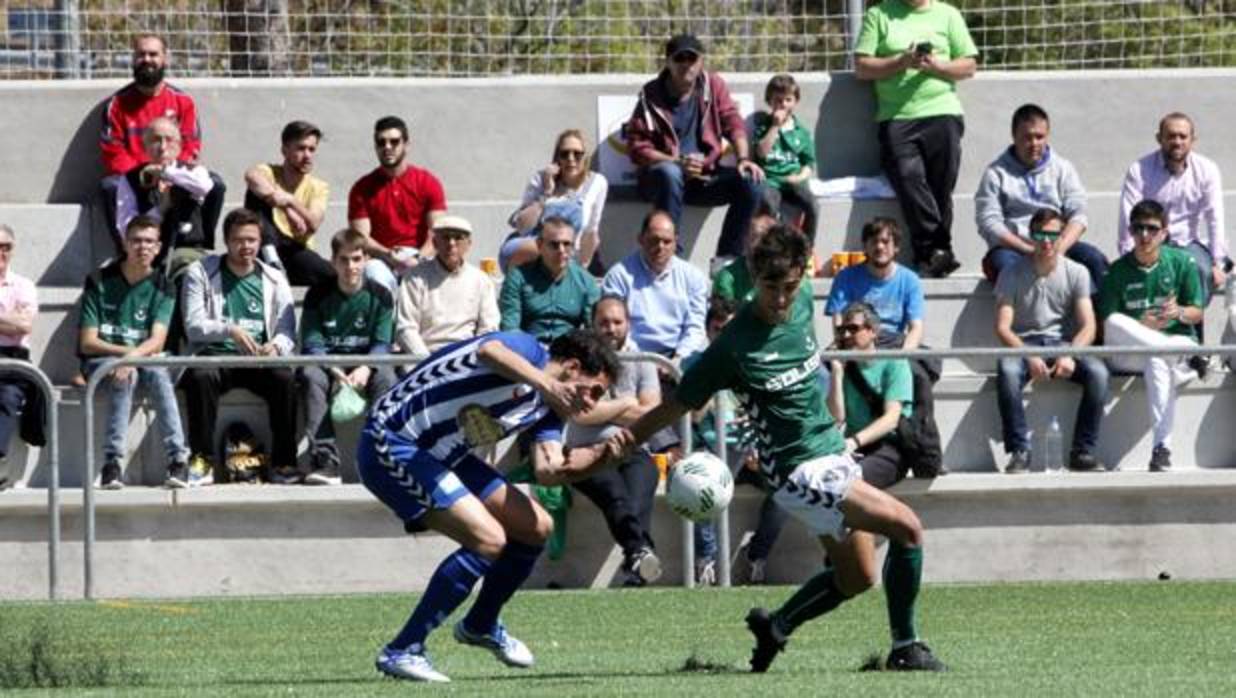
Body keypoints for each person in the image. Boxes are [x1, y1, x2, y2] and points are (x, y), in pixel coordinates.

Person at [613, 224, 943, 673]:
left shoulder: (805, 300)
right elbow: (677, 406)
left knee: (858, 577)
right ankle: (906, 647)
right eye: (771, 287)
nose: (782, 298)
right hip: (799, 470)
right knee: (908, 529)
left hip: (831, 453)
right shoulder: (732, 346)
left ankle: (778, 626)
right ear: (753, 275)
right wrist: (625, 439)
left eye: (789, 286)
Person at [359, 329, 623, 682]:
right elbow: (489, 351)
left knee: (536, 528)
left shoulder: (550, 409)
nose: (591, 404)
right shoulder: (528, 349)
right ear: (573, 367)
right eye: (593, 391)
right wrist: (547, 384)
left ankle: (480, 624)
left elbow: (547, 471)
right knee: (489, 540)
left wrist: (600, 458)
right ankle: (403, 649)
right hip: (393, 439)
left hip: (444, 455)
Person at [824, 300, 942, 669]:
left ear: (873, 332)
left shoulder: (894, 363)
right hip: (857, 447)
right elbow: (836, 416)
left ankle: (844, 559)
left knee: (849, 482)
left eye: (854, 329)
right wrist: (839, 375)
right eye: (842, 329)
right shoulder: (840, 365)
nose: (846, 335)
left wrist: (854, 444)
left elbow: (892, 418)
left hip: (892, 448)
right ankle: (846, 558)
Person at [854, 0, 978, 278]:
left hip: (942, 112)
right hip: (897, 116)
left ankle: (930, 257)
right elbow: (862, 66)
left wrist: (936, 66)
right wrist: (902, 62)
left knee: (940, 187)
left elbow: (969, 66)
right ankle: (939, 249)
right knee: (908, 178)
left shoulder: (948, 15)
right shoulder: (879, 15)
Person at [180, 208, 298, 484]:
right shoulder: (201, 272)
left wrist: (276, 347)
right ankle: (202, 460)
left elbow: (287, 328)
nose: (246, 247)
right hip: (216, 358)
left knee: (284, 378)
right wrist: (229, 330)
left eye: (252, 240)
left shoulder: (274, 277)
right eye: (238, 240)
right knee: (200, 377)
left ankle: (284, 463)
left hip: (258, 360)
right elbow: (193, 324)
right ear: (226, 241)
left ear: (260, 241)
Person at [625, 33, 765, 260]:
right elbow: (637, 147)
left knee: (751, 181)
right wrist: (677, 162)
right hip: (662, 182)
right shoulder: (651, 94)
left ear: (701, 62)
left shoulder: (713, 85)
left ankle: (727, 259)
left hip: (704, 179)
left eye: (693, 59)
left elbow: (733, 122)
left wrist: (743, 159)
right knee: (669, 173)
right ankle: (671, 258)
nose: (686, 65)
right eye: (680, 59)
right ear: (668, 62)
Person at [79, 215, 190, 489]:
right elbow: (88, 342)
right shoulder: (99, 280)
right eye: (137, 241)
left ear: (159, 246)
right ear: (125, 244)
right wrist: (127, 356)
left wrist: (130, 358)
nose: (143, 247)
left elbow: (158, 340)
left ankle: (178, 460)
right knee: (123, 376)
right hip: (100, 361)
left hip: (142, 358)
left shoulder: (164, 285)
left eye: (149, 242)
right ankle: (112, 464)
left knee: (157, 372)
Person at [825, 218, 943, 476]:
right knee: (822, 370)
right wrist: (844, 344)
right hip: (856, 335)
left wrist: (900, 357)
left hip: (893, 342)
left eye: (885, 241)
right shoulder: (846, 277)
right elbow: (837, 319)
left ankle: (925, 447)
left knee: (919, 374)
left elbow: (915, 327)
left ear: (896, 247)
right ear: (864, 246)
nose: (879, 247)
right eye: (873, 241)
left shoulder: (909, 279)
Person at [993, 209, 1108, 473]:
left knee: (1099, 373)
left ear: (1062, 237)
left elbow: (1089, 326)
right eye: (1040, 234)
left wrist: (1071, 354)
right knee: (1008, 371)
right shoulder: (1011, 272)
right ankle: (1020, 450)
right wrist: (1028, 355)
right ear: (1031, 237)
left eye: (1053, 235)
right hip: (1024, 343)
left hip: (1063, 343)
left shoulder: (1077, 272)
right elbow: (1002, 327)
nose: (1047, 241)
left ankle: (1083, 451)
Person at [566, 296, 666, 587]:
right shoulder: (579, 361)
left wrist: (606, 411)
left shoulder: (645, 360)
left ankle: (637, 557)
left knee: (636, 497)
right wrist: (627, 403)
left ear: (628, 324)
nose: (610, 329)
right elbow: (582, 414)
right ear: (593, 324)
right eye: (604, 322)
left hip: (634, 448)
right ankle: (639, 557)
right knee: (614, 493)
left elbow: (652, 414)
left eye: (617, 322)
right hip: (586, 451)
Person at [1099, 200, 1204, 472]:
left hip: (1171, 342)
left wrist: (1178, 311)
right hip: (1129, 352)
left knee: (1157, 358)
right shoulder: (1117, 270)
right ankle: (1189, 358)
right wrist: (1140, 325)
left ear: (1164, 232)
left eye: (1152, 229)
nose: (1144, 235)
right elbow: (1107, 326)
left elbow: (1197, 312)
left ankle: (1162, 449)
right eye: (1138, 228)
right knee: (1116, 319)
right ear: (1130, 232)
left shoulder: (1182, 262)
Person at [100, 33, 225, 255]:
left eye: (153, 54)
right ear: (133, 59)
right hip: (138, 176)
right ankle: (127, 253)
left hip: (174, 172)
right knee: (109, 186)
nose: (147, 59)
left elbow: (191, 147)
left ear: (165, 59)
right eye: (141, 54)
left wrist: (167, 172)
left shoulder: (182, 102)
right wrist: (146, 174)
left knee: (215, 184)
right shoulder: (117, 104)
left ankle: (201, 248)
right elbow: (113, 153)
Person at [299, 229, 397, 485]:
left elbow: (382, 343)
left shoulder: (381, 295)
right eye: (343, 260)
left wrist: (365, 366)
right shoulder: (317, 294)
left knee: (386, 375)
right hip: (331, 363)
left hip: (367, 361)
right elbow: (312, 344)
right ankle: (325, 460)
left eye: (356, 259)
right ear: (333, 261)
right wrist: (335, 370)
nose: (350, 266)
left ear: (366, 260)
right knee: (310, 375)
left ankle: (382, 458)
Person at [975, 103, 1108, 292]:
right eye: (1027, 137)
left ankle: (1098, 320)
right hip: (1015, 249)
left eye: (1039, 137)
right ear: (1014, 136)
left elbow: (1079, 214)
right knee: (1006, 268)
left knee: (1094, 259)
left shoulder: (1063, 168)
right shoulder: (995, 173)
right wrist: (1029, 250)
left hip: (1058, 243)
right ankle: (1019, 320)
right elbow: (989, 223)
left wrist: (1058, 249)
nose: (1034, 144)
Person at [1118, 112, 1228, 312]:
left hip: (1189, 244)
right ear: (1159, 138)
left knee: (1201, 271)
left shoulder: (1207, 170)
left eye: (1183, 136)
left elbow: (1215, 218)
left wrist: (1218, 262)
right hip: (1151, 242)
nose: (1177, 142)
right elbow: (1128, 215)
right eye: (1171, 136)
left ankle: (1190, 331)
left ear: (1192, 140)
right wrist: (1128, 255)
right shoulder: (1139, 169)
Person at [348, 116, 447, 292]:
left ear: (406, 145)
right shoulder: (362, 188)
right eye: (381, 142)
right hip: (381, 258)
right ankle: (385, 320)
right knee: (373, 273)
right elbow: (360, 237)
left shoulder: (428, 182)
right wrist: (388, 255)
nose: (387, 147)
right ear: (375, 147)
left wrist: (418, 258)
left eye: (394, 141)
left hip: (421, 256)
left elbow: (438, 231)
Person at [601, 210, 709, 362]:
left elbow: (695, 327)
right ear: (640, 239)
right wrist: (644, 362)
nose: (660, 246)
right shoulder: (619, 276)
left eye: (667, 241)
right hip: (632, 357)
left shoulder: (693, 277)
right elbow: (614, 328)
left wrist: (679, 359)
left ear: (676, 241)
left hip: (677, 357)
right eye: (654, 240)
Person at [501, 129, 609, 272]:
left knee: (561, 252)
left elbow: (591, 232)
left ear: (585, 157)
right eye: (565, 154)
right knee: (551, 248)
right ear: (557, 157)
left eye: (577, 154)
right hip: (529, 249)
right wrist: (546, 192)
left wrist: (582, 270)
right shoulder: (541, 179)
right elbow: (522, 226)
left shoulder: (597, 183)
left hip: (567, 257)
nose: (571, 158)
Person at [114, 117, 214, 269]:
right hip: (148, 254)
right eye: (155, 140)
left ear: (179, 145)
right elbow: (126, 228)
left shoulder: (194, 171)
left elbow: (204, 187)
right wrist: (161, 209)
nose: (162, 147)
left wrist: (165, 172)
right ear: (144, 146)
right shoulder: (130, 179)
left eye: (169, 140)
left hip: (187, 252)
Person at [395, 216, 499, 363]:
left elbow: (488, 328)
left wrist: (470, 357)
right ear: (435, 243)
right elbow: (405, 328)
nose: (451, 244)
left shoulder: (481, 280)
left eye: (458, 238)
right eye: (445, 238)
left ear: (469, 244)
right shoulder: (414, 277)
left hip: (466, 358)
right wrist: (428, 362)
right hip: (422, 358)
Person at [244, 120, 333, 287]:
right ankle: (270, 259)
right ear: (284, 150)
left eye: (312, 149)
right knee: (255, 194)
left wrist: (291, 201)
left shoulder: (319, 186)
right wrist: (286, 208)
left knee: (331, 274)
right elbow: (251, 176)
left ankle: (276, 269)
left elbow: (313, 223)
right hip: (263, 245)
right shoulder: (269, 172)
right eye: (301, 148)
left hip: (294, 250)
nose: (307, 155)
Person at [499, 203, 599, 343]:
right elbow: (510, 328)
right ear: (539, 245)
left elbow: (594, 329)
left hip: (570, 351)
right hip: (528, 350)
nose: (561, 250)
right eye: (554, 244)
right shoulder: (518, 277)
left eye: (567, 244)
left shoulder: (586, 282)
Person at [751, 74, 818, 243]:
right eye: (778, 100)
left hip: (793, 180)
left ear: (795, 101)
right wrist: (775, 126)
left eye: (788, 100)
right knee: (768, 204)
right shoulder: (764, 126)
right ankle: (770, 244)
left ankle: (806, 245)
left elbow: (809, 163)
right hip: (771, 180)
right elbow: (761, 153)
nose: (783, 104)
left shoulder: (800, 132)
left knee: (813, 206)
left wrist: (799, 177)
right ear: (769, 101)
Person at [0, 224, 38, 470]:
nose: (1, 252)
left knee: (7, 397)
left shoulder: (23, 285)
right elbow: (14, 323)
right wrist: (7, 320)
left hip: (13, 361)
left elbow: (24, 325)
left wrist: (15, 322)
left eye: (6, 247)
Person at [712, 210, 777, 304]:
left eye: (765, 240)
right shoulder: (727, 278)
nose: (756, 244)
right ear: (746, 240)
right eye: (753, 237)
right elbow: (725, 317)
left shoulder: (779, 279)